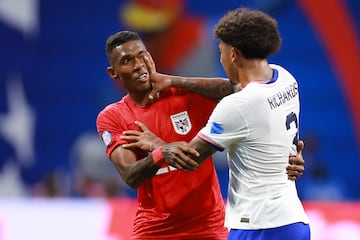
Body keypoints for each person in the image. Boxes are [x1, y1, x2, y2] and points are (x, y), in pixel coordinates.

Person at [96, 30, 305, 239]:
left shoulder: (185, 95)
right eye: (127, 60)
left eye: (143, 55)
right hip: (155, 230)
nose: (139, 64)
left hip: (210, 226)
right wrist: (161, 153)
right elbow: (130, 175)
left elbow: (238, 91)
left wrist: (287, 151)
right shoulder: (114, 117)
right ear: (113, 73)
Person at [145, 8, 311, 240]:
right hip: (294, 222)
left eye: (220, 52)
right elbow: (230, 87)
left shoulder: (237, 106)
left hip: (259, 226)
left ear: (233, 54)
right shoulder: (285, 79)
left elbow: (190, 159)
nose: (220, 58)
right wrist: (173, 81)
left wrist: (155, 143)